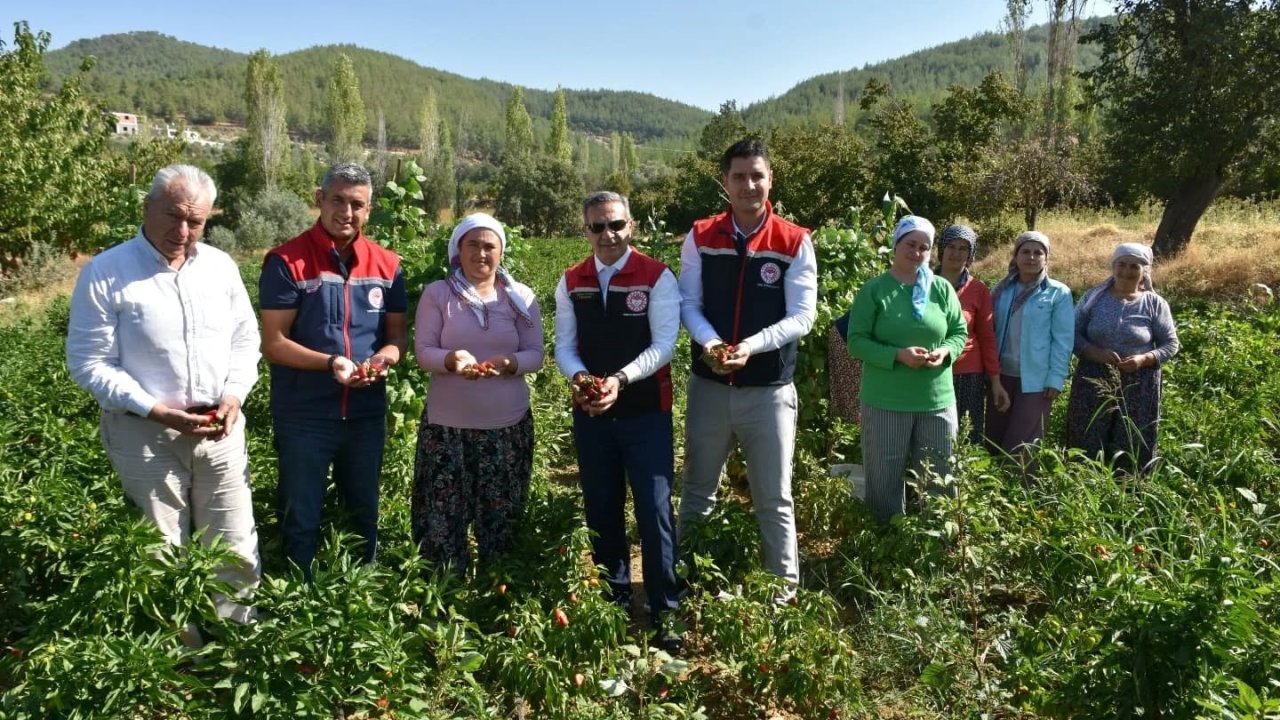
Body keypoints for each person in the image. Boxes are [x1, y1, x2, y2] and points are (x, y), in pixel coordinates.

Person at [66, 164, 261, 638]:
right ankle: (179, 661)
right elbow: (88, 362)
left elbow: (245, 339)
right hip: (145, 434)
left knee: (235, 543)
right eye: (173, 216)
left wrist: (234, 395)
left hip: (220, 431)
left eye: (196, 222)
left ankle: (237, 646)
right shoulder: (106, 272)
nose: (183, 231)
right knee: (161, 549)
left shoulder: (220, 267)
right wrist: (154, 409)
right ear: (147, 207)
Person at [677, 138, 817, 597]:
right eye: (739, 176)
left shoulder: (794, 240)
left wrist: (750, 347)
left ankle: (782, 593)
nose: (748, 185)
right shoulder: (700, 236)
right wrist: (714, 342)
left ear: (770, 179)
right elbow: (688, 304)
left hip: (768, 390)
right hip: (710, 387)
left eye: (757, 175)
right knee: (698, 490)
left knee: (774, 497)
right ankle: (688, 579)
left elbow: (802, 315)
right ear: (726, 183)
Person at [259, 163, 408, 578]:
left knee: (364, 513)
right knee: (300, 515)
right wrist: (331, 363)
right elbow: (273, 343)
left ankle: (360, 598)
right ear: (319, 200)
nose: (346, 211)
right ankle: (298, 601)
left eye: (357, 204)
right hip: (305, 414)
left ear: (369, 209)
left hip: (364, 413)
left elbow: (396, 337)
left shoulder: (388, 265)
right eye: (338, 200)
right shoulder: (287, 262)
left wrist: (384, 360)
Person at [554, 191, 681, 643]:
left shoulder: (656, 277)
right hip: (591, 412)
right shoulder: (572, 280)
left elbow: (664, 344)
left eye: (616, 225)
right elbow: (564, 346)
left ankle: (667, 608)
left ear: (632, 226)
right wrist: (582, 379)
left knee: (654, 508)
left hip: (646, 411)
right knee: (601, 507)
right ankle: (615, 601)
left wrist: (620, 380)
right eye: (597, 227)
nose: (608, 235)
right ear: (585, 230)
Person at [411, 213, 543, 574]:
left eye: (490, 246)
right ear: (458, 249)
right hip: (446, 428)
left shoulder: (520, 297)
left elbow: (536, 353)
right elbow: (424, 351)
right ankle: (444, 590)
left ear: (501, 252)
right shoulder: (438, 294)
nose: (481, 253)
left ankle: (496, 590)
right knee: (443, 513)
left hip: (506, 428)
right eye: (473, 244)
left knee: (501, 513)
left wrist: (510, 363)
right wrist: (452, 360)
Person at [845, 216, 968, 523]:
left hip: (936, 400)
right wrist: (897, 355)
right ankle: (886, 542)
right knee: (884, 476)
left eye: (924, 247)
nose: (917, 252)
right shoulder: (875, 290)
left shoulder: (941, 289)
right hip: (886, 400)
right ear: (896, 244)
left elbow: (958, 332)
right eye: (910, 244)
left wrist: (946, 351)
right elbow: (856, 342)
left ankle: (937, 544)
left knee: (941, 473)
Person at [1067, 242, 1180, 472]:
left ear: (1144, 271)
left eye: (1134, 266)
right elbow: (1072, 334)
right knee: (1087, 431)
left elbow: (1171, 345)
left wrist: (1143, 359)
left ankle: (1130, 487)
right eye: (1122, 264)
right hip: (1093, 379)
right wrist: (1093, 352)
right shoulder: (1094, 298)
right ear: (1113, 266)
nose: (1127, 271)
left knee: (1131, 436)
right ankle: (1081, 480)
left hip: (1139, 383)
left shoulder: (1154, 304)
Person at [987, 231, 1075, 457]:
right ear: (1016, 256)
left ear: (1047, 258)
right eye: (1025, 251)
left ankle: (1019, 489)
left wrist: (1056, 378)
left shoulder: (1058, 293)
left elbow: (1063, 340)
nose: (1032, 257)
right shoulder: (1002, 289)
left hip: (1036, 381)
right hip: (1001, 376)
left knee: (1023, 444)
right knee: (994, 437)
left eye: (1039, 252)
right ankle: (991, 489)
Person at [935, 224, 1011, 444]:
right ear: (941, 249)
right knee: (932, 430)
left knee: (967, 433)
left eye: (963, 249)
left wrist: (995, 381)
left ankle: (965, 477)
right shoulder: (922, 283)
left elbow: (987, 338)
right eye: (951, 246)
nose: (956, 253)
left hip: (968, 372)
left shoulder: (977, 290)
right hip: (928, 369)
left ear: (970, 255)